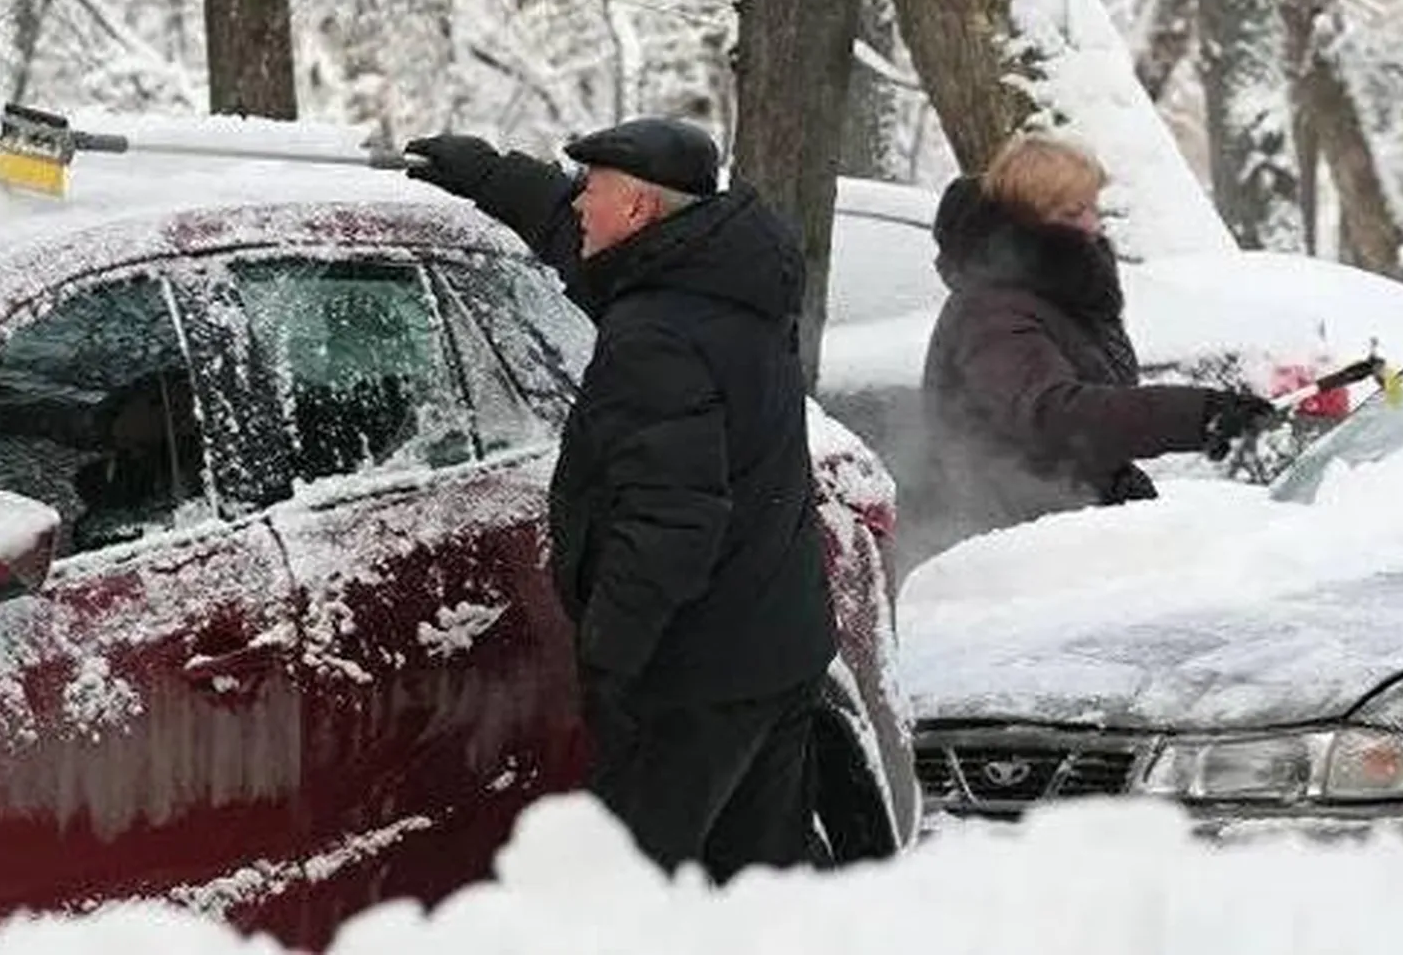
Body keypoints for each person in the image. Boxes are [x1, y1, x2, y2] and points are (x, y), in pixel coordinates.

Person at [403, 119, 833, 882]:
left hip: (690, 682)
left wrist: (611, 664)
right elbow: (585, 245)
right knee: (756, 900)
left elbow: (670, 524)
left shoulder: (655, 335)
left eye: (591, 192)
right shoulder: (723, 279)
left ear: (637, 210)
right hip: (775, 647)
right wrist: (494, 176)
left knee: (628, 902)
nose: (576, 206)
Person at [904, 131, 1276, 572]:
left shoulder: (1058, 296)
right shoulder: (993, 310)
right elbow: (1053, 416)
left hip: (1061, 528)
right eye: (1072, 212)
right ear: (1029, 221)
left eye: (1093, 208)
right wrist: (1198, 415)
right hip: (1007, 553)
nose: (1093, 226)